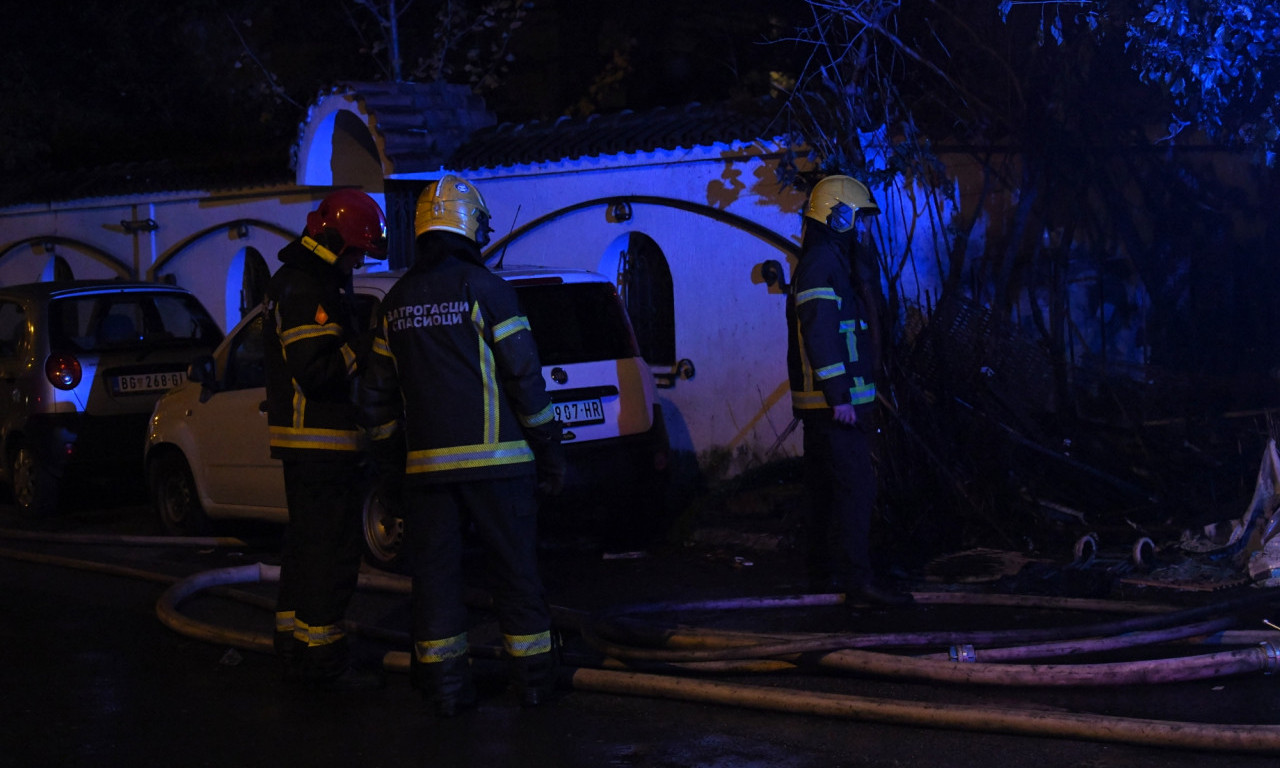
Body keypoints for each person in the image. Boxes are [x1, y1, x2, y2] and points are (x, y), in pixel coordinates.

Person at [358, 174, 565, 716]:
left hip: (425, 473)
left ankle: (447, 691)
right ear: (472, 225)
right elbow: (525, 378)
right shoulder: (489, 289)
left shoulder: (395, 302)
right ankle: (535, 685)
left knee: (436, 583)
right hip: (501, 466)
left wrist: (388, 466)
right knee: (516, 574)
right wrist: (549, 448)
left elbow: (376, 400)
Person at [263, 188, 389, 690]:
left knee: (306, 550)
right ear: (337, 240)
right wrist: (365, 344)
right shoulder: (307, 287)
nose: (360, 259)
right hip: (321, 444)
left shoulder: (308, 280)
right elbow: (317, 372)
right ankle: (323, 661)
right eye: (358, 250)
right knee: (331, 555)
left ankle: (295, 647)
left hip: (311, 446)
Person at [786, 174, 912, 607]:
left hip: (826, 404)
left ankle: (821, 574)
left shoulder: (829, 259)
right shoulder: (822, 262)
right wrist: (840, 397)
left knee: (824, 492)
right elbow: (821, 332)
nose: (861, 227)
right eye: (857, 218)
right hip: (833, 405)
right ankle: (858, 581)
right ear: (836, 215)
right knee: (856, 489)